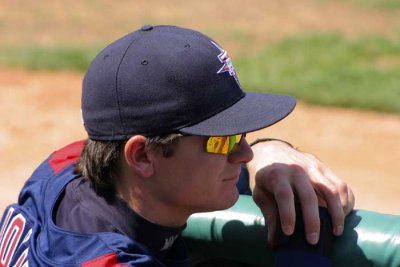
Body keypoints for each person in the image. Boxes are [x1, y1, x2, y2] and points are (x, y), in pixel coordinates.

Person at [0, 25, 354, 266]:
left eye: (242, 136)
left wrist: (269, 149)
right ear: (141, 156)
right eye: (222, 140)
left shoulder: (64, 166)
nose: (243, 152)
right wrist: (303, 246)